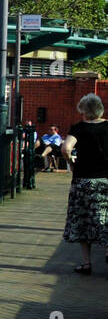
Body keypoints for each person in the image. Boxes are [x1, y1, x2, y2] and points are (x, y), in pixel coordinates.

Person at [61, 94, 108, 276]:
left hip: (84, 180)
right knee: (105, 217)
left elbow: (65, 148)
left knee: (82, 221)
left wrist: (71, 163)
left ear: (86, 112)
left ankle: (86, 263)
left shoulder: (79, 128)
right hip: (106, 180)